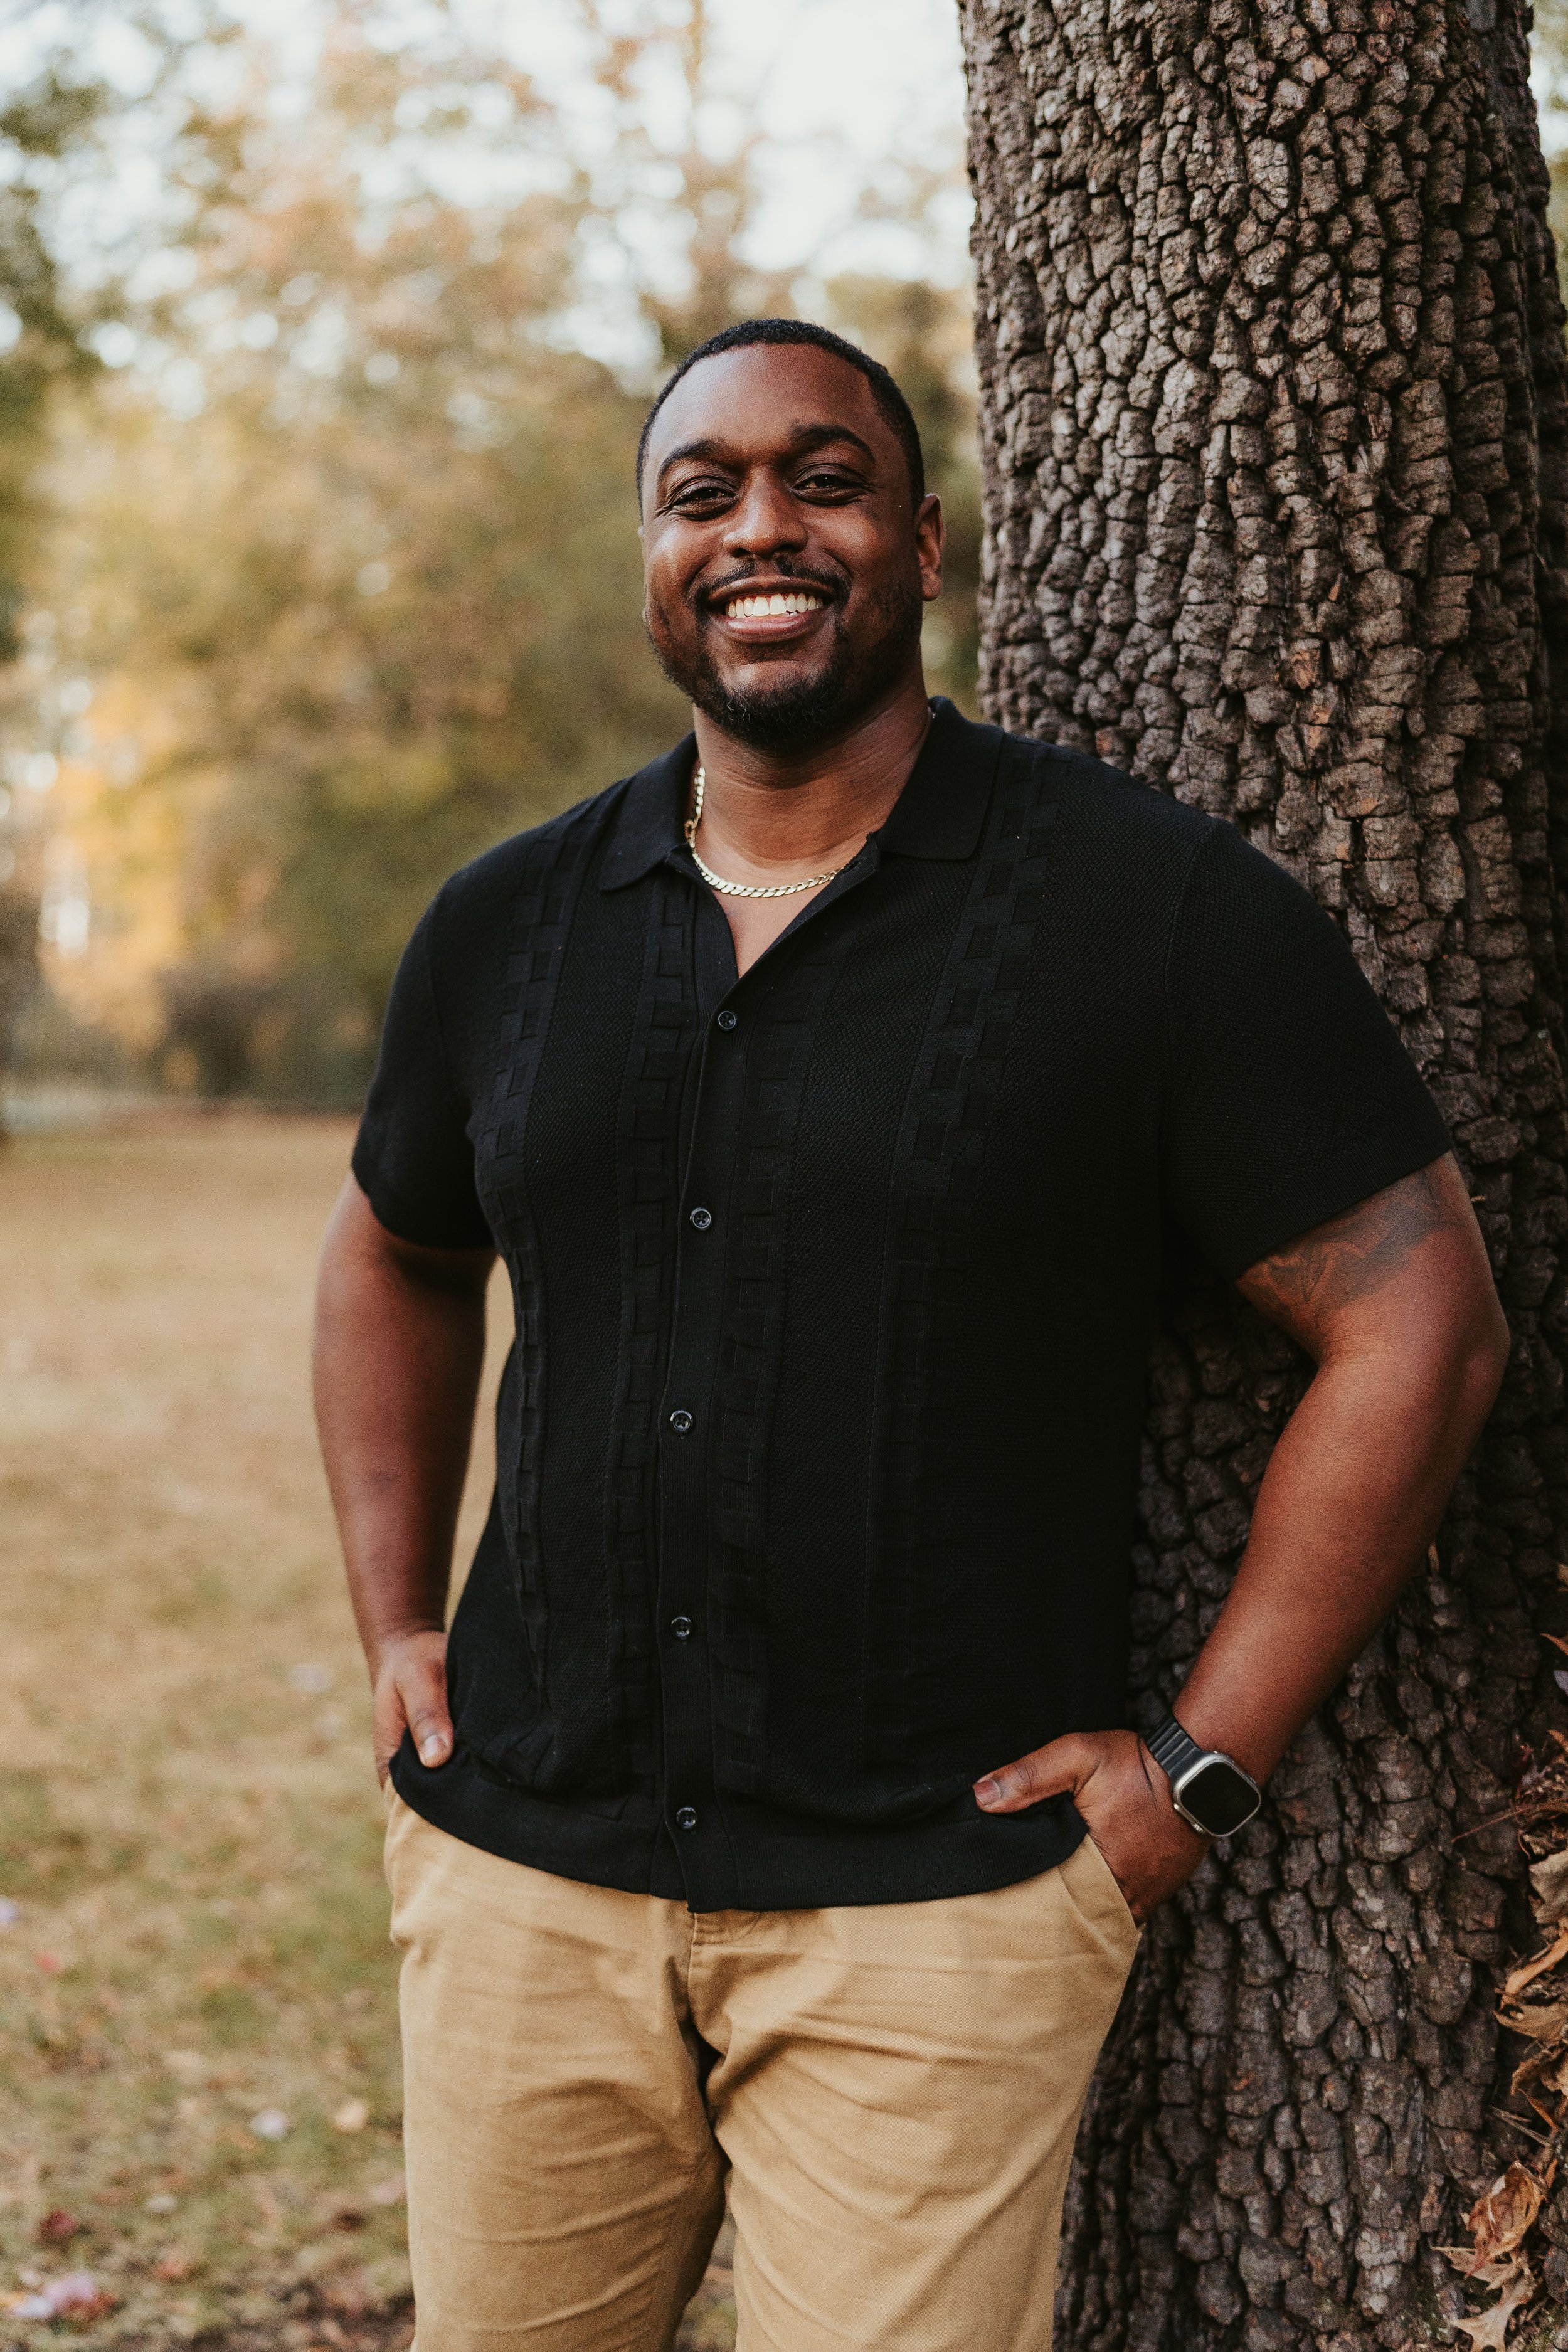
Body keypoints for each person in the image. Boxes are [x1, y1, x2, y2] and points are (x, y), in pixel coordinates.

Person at [313, 318, 1509, 2352]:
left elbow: (1421, 1318)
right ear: (651, 560)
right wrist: (395, 1623)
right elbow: (390, 1249)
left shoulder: (1146, 912)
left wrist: (1196, 1765)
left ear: (924, 545)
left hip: (933, 1925)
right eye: (702, 493)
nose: (759, 527)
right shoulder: (508, 924)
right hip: (523, 1884)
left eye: (824, 478)